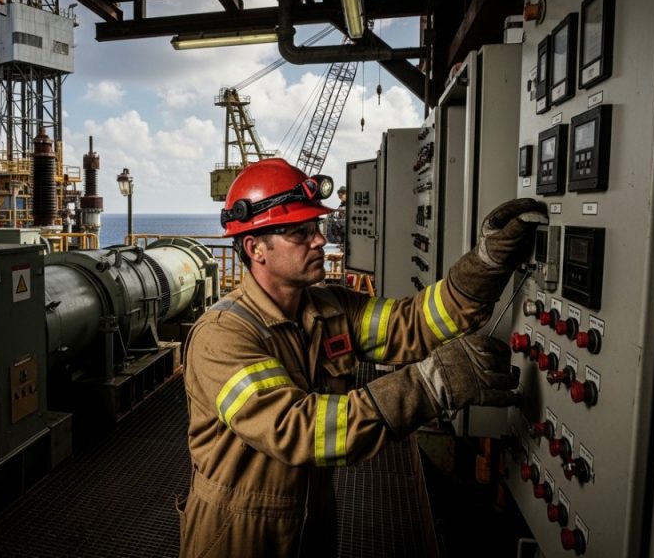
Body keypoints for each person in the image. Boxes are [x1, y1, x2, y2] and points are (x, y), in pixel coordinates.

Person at [177, 157, 547, 557]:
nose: (319, 240)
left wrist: (486, 264)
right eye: (300, 233)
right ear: (255, 249)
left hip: (313, 522)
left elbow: (414, 321)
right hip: (239, 536)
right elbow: (298, 430)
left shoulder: (329, 308)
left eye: (315, 227)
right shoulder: (222, 337)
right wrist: (430, 385)